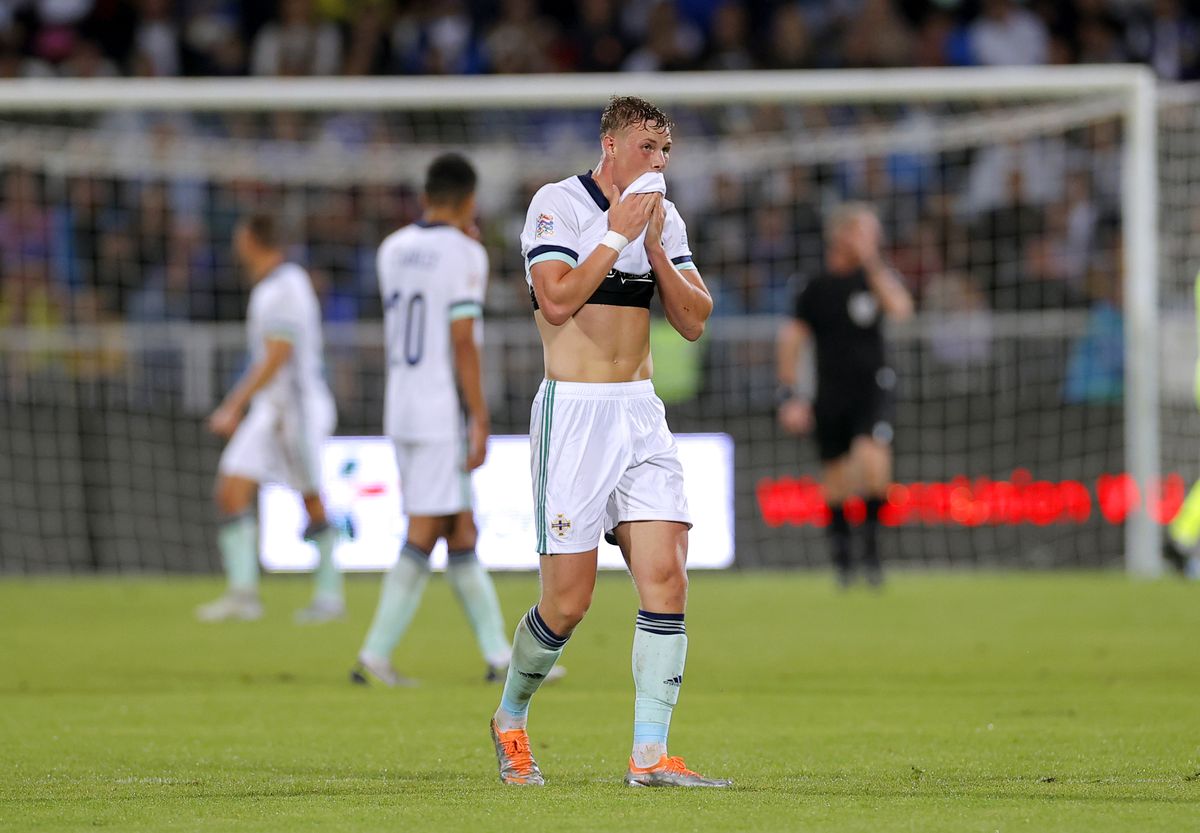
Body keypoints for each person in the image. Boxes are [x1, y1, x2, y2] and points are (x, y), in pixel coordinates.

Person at [489, 96, 730, 789]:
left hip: (639, 413)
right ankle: (510, 717)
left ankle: (649, 754)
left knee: (667, 576)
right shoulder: (557, 205)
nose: (657, 162)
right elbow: (557, 299)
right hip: (575, 414)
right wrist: (614, 230)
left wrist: (652, 244)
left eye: (665, 151)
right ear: (611, 144)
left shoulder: (663, 215)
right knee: (568, 602)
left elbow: (694, 318)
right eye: (646, 147)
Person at [351, 153, 556, 686]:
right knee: (427, 528)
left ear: (425, 196)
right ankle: (373, 658)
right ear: (470, 201)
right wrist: (480, 417)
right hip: (440, 410)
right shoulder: (466, 252)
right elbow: (462, 338)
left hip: (400, 404)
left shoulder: (392, 249)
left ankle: (499, 658)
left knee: (460, 529)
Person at [199, 214, 342, 622]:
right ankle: (243, 595)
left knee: (310, 496)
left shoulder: (286, 285)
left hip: (298, 408)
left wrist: (232, 405)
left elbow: (279, 353)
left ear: (252, 240)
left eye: (239, 236)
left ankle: (330, 595)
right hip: (271, 408)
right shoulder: (268, 287)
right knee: (230, 489)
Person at [776, 203, 913, 588]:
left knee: (873, 463)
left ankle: (872, 555)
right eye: (865, 233)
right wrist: (790, 395)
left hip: (873, 388)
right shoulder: (814, 286)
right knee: (835, 479)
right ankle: (844, 564)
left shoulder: (875, 279)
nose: (874, 240)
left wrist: (871, 262)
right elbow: (792, 340)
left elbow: (901, 309)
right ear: (843, 235)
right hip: (829, 392)